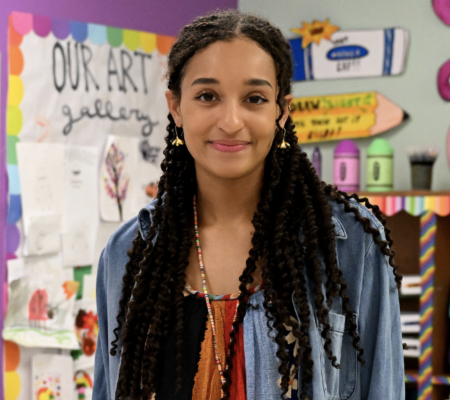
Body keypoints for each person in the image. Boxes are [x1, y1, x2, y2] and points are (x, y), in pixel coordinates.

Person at [93, 9, 405, 400]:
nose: (231, 120)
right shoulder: (126, 253)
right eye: (207, 96)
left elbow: (383, 389)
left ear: (281, 111)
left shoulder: (351, 243)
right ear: (175, 106)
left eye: (255, 98)